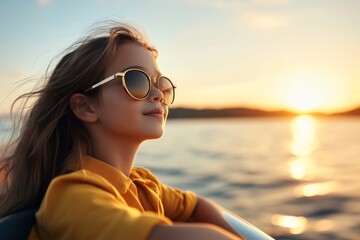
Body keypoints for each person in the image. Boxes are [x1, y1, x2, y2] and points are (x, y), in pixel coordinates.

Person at [0, 22, 244, 240]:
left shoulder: (143, 184)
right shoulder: (70, 196)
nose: (158, 94)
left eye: (162, 84)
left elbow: (196, 206)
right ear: (85, 106)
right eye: (137, 81)